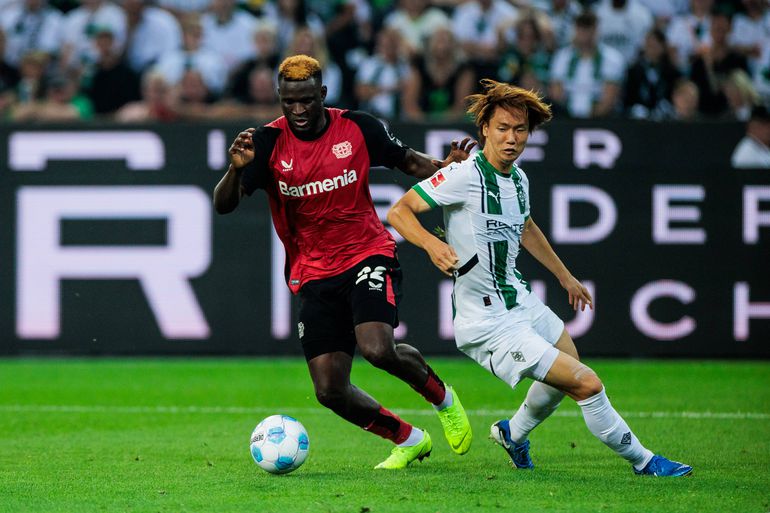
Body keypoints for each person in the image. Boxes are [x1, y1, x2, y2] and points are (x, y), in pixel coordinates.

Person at [387, 79, 693, 477]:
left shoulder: (518, 178)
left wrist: (565, 277)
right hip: (487, 320)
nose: (511, 138)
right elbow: (399, 211)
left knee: (568, 367)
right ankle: (644, 461)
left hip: (518, 298)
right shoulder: (464, 175)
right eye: (502, 128)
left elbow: (527, 227)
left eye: (520, 129)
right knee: (586, 383)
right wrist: (432, 244)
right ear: (485, 129)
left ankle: (512, 433)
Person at [212, 54, 473, 470]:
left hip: (367, 253)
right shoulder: (265, 143)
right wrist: (234, 169)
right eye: (289, 102)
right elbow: (224, 204)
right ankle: (409, 439)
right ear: (280, 98)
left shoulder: (357, 127)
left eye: (306, 100)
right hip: (312, 272)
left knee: (377, 349)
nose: (298, 110)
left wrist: (447, 169)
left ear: (323, 94)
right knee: (330, 390)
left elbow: (408, 161)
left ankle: (443, 400)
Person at [731, 104, 770, 168]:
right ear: (750, 127)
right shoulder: (746, 154)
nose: (768, 129)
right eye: (763, 125)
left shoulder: (765, 145)